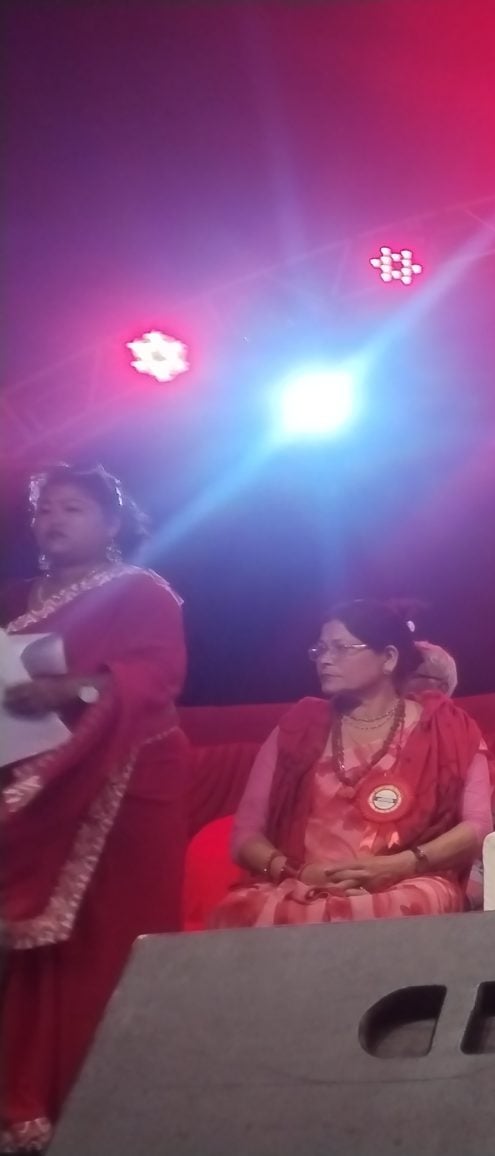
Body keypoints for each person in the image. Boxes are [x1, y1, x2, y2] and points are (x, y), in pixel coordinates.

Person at [1, 465, 189, 1152]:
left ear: (113, 522)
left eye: (72, 508)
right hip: (33, 782)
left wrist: (75, 689)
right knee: (31, 944)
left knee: (108, 934)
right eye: (43, 510)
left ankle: (109, 1097)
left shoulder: (141, 592)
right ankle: (26, 1101)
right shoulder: (14, 598)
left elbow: (158, 676)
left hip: (127, 781)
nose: (52, 520)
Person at [211, 601, 494, 927]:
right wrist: (298, 872)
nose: (325, 659)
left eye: (341, 648)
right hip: (304, 883)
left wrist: (400, 865)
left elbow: (477, 828)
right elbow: (245, 835)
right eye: (320, 649)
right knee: (239, 909)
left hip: (406, 881)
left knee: (411, 903)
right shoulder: (298, 728)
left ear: (388, 658)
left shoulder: (448, 728)